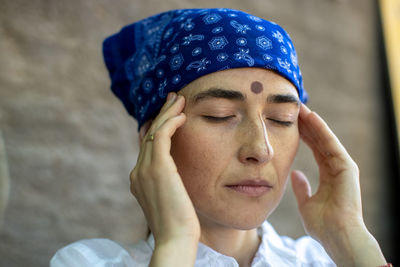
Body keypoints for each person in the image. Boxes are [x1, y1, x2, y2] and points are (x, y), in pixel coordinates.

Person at [50, 8, 390, 266]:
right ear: (154, 137)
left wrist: (350, 239)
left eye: (281, 118)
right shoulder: (88, 261)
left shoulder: (325, 261)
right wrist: (176, 244)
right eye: (220, 115)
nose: (260, 149)